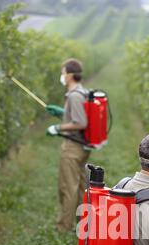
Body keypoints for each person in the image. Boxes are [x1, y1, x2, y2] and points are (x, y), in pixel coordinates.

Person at [46, 58, 90, 233]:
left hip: (73, 148)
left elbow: (80, 122)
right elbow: (78, 117)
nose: (62, 76)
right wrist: (63, 114)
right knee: (79, 187)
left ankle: (64, 228)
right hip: (81, 146)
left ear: (70, 75)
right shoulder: (81, 92)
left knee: (67, 187)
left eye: (63, 73)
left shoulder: (74, 95)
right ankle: (82, 225)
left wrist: (58, 127)